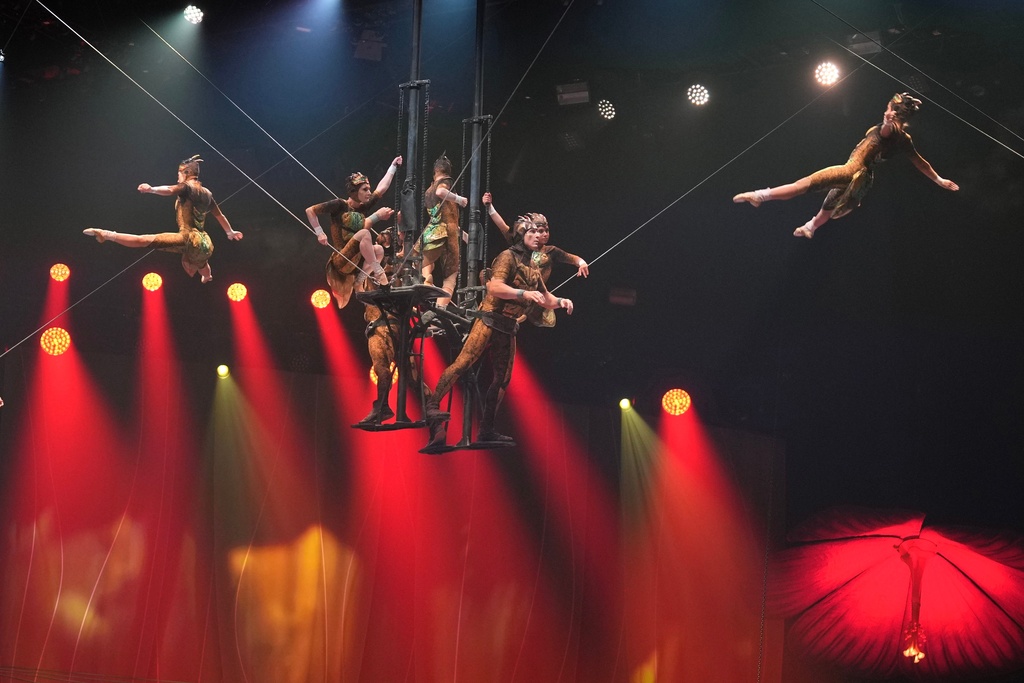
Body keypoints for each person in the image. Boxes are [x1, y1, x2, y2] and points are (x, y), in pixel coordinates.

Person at [422, 218, 573, 450]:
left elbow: (546, 297)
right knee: (463, 363)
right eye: (531, 232)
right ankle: (433, 405)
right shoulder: (507, 257)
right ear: (521, 234)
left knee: (502, 379)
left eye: (538, 232)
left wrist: (561, 301)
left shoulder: (533, 268)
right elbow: (494, 287)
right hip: (489, 320)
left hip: (507, 327)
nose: (537, 236)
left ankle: (487, 429)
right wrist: (522, 293)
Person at [733, 93, 959, 238]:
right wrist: (938, 180)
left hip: (851, 170)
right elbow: (921, 163)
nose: (885, 109)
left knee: (803, 185)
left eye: (888, 107)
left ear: (894, 112)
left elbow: (886, 131)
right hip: (863, 177)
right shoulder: (905, 139)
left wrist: (888, 122)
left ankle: (760, 196)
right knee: (830, 204)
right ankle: (811, 227)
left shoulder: (890, 129)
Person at [83, 155, 242, 281]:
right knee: (202, 264)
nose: (177, 177)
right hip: (203, 243)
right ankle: (207, 277)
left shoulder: (186, 187)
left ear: (186, 173)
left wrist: (151, 189)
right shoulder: (207, 193)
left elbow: (170, 189)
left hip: (188, 237)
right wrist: (230, 232)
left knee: (143, 240)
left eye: (178, 174)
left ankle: (107, 234)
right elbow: (219, 215)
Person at [306, 156, 401, 308]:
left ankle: (359, 281)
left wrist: (393, 167)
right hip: (341, 259)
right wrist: (319, 232)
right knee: (365, 234)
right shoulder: (339, 205)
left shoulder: (363, 206)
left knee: (378, 249)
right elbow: (310, 210)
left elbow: (381, 189)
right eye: (365, 189)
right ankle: (379, 272)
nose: (369, 192)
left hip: (355, 260)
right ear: (353, 191)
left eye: (368, 189)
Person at [415, 154, 466, 308]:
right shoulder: (446, 182)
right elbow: (441, 193)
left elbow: (444, 214)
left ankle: (427, 278)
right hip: (448, 233)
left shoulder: (428, 189)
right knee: (451, 274)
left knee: (420, 261)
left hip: (433, 230)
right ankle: (441, 308)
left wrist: (463, 235)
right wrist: (459, 199)